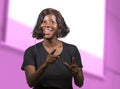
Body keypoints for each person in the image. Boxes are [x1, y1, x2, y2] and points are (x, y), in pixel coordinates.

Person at [21, 8, 84, 89]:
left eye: (52, 22)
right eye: (44, 22)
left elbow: (80, 83)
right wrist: (45, 64)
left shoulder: (72, 50)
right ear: (40, 25)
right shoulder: (31, 51)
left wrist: (76, 73)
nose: (47, 25)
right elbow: (31, 82)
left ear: (59, 26)